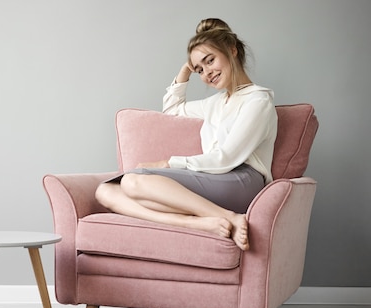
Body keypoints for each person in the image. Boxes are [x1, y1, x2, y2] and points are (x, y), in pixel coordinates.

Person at [95, 18, 277, 251]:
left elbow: (227, 158)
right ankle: (200, 222)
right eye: (200, 69)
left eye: (210, 61)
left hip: (241, 181)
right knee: (105, 190)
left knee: (131, 181)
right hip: (214, 178)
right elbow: (172, 110)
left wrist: (169, 163)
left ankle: (229, 215)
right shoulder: (216, 102)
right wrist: (185, 70)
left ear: (232, 50)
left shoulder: (258, 101)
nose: (206, 73)